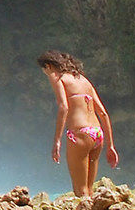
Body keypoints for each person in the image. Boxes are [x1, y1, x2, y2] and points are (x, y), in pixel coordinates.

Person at [42, 49, 119, 198]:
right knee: (89, 190)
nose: (45, 73)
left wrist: (57, 141)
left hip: (80, 134)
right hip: (97, 134)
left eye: (44, 69)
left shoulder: (56, 77)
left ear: (49, 66)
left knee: (80, 190)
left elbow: (64, 107)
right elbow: (103, 113)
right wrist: (110, 146)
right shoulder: (84, 80)